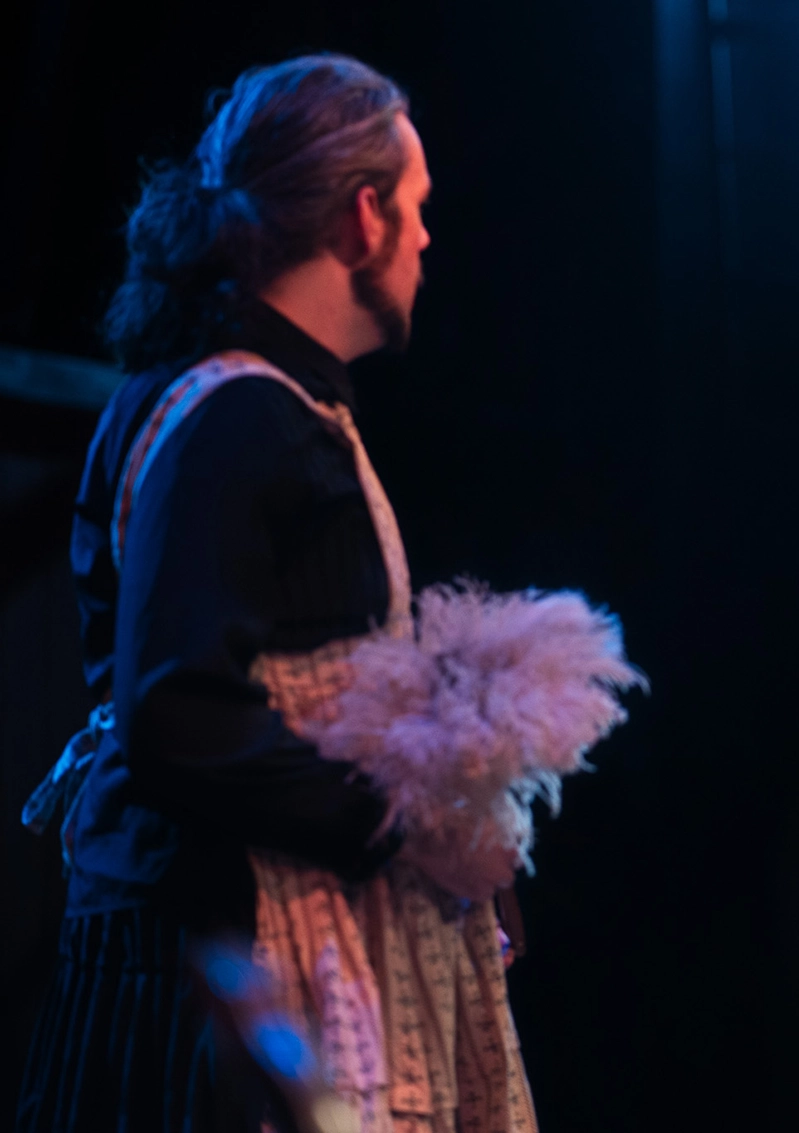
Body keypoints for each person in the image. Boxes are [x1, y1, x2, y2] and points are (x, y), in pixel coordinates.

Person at [17, 55, 523, 1132]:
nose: (428, 239)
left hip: (195, 946)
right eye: (417, 207)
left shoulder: (232, 401)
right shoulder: (240, 416)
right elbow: (177, 709)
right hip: (209, 966)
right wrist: (403, 819)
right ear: (363, 216)